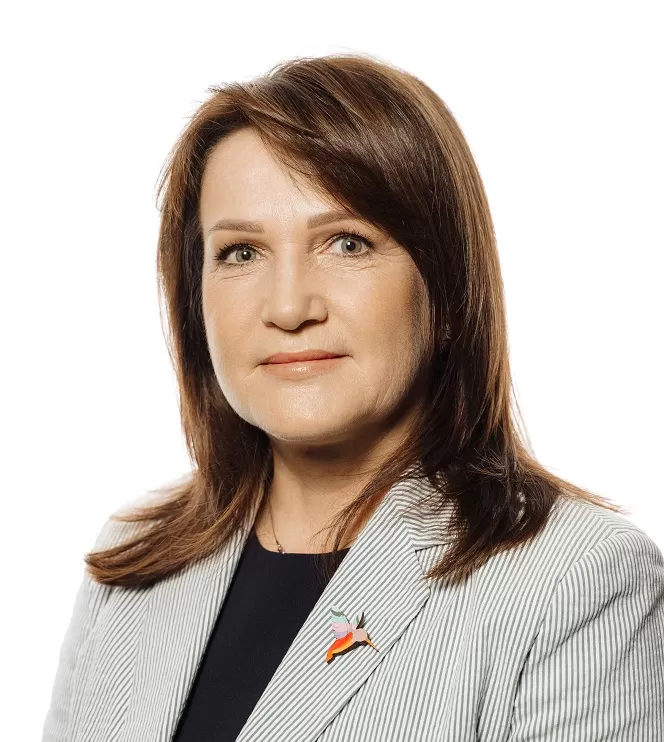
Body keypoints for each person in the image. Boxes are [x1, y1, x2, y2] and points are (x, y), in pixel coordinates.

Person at [42, 53, 664, 742]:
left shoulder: (575, 580)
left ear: (448, 290)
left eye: (346, 243)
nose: (288, 308)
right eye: (241, 253)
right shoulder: (133, 559)